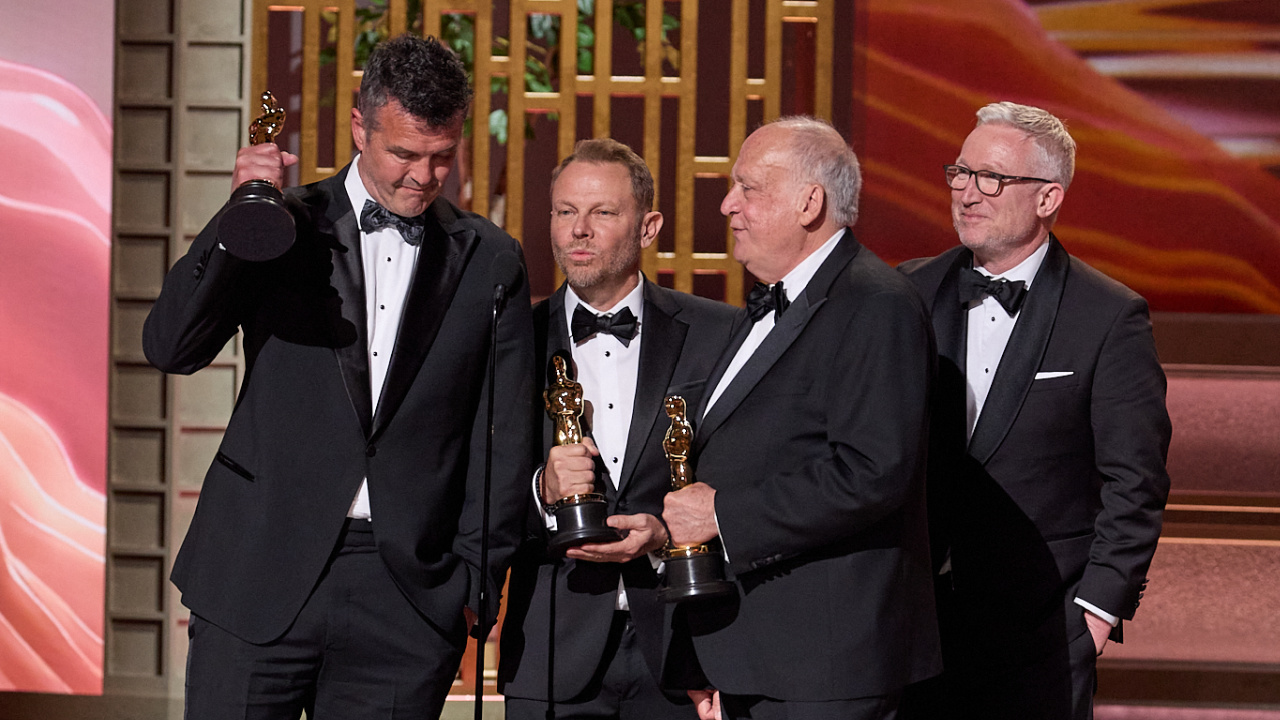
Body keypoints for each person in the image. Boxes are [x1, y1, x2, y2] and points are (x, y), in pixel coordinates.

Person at [142, 34, 535, 719]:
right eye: (404, 154)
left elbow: (501, 438)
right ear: (360, 127)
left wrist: (473, 585)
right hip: (256, 571)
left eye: (442, 157)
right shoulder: (283, 223)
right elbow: (172, 345)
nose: (423, 175)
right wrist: (239, 216)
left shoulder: (490, 260)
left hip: (405, 599)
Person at [898, 102, 1172, 720]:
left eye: (992, 178)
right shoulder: (906, 293)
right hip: (912, 624)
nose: (968, 192)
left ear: (1048, 198)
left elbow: (1136, 480)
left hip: (1043, 629)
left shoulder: (1107, 316)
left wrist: (1097, 613)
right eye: (960, 173)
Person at [661, 117, 941, 720]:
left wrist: (721, 514)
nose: (727, 203)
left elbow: (872, 472)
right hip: (753, 656)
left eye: (749, 187)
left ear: (809, 202)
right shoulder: (767, 305)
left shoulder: (876, 303)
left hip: (826, 668)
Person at [499, 138, 737, 720]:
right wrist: (542, 493)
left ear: (649, 226)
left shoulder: (721, 335)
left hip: (684, 651)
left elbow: (749, 479)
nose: (579, 230)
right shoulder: (510, 343)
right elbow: (469, 491)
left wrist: (667, 535)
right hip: (550, 650)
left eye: (603, 212)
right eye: (564, 212)